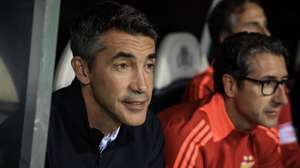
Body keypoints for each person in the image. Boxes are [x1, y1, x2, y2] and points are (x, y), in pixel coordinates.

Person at [46, 2, 164, 168]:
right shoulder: (38, 133)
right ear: (83, 70)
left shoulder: (149, 129)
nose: (142, 86)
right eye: (123, 65)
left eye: (149, 66)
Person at [183, 0, 300, 167]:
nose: (266, 33)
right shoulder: (205, 86)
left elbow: (287, 139)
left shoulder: (278, 86)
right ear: (225, 38)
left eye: (265, 25)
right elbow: (215, 151)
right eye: (253, 26)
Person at [159, 32, 290, 167]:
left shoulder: (265, 131)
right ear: (230, 85)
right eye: (267, 83)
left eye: (283, 82)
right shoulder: (189, 137)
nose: (282, 99)